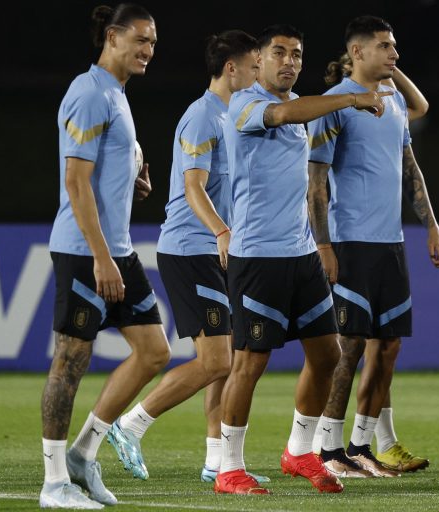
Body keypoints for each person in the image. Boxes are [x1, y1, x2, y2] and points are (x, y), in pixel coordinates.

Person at [214, 24, 391, 495]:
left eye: (297, 53)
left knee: (328, 355)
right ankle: (229, 467)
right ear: (259, 62)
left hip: (300, 253)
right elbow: (288, 112)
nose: (289, 61)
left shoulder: (303, 114)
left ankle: (298, 451)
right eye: (279, 53)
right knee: (249, 363)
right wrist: (352, 99)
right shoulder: (245, 104)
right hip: (258, 258)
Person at [105, 30, 270, 484]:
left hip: (217, 250)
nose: (260, 73)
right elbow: (193, 187)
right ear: (231, 69)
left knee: (228, 357)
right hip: (190, 249)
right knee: (217, 361)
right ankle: (130, 424)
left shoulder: (234, 117)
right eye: (255, 65)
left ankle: (217, 459)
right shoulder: (202, 117)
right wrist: (221, 230)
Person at [39, 4, 171, 509]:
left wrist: (130, 180)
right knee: (71, 360)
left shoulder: (116, 95)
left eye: (153, 43)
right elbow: (74, 181)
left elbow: (98, 173)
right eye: (140, 39)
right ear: (112, 37)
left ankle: (83, 454)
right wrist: (100, 258)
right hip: (84, 252)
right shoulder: (89, 92)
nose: (148, 50)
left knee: (155, 351)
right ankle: (53, 484)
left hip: (115, 250)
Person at [307, 15, 439, 479]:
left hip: (391, 243)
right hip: (351, 243)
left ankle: (362, 444)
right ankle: (328, 450)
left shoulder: (389, 99)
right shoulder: (332, 105)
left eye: (395, 46)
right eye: (385, 46)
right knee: (349, 346)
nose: (394, 53)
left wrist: (432, 227)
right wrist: (323, 244)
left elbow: (411, 167)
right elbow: (316, 184)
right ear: (357, 52)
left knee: (388, 347)